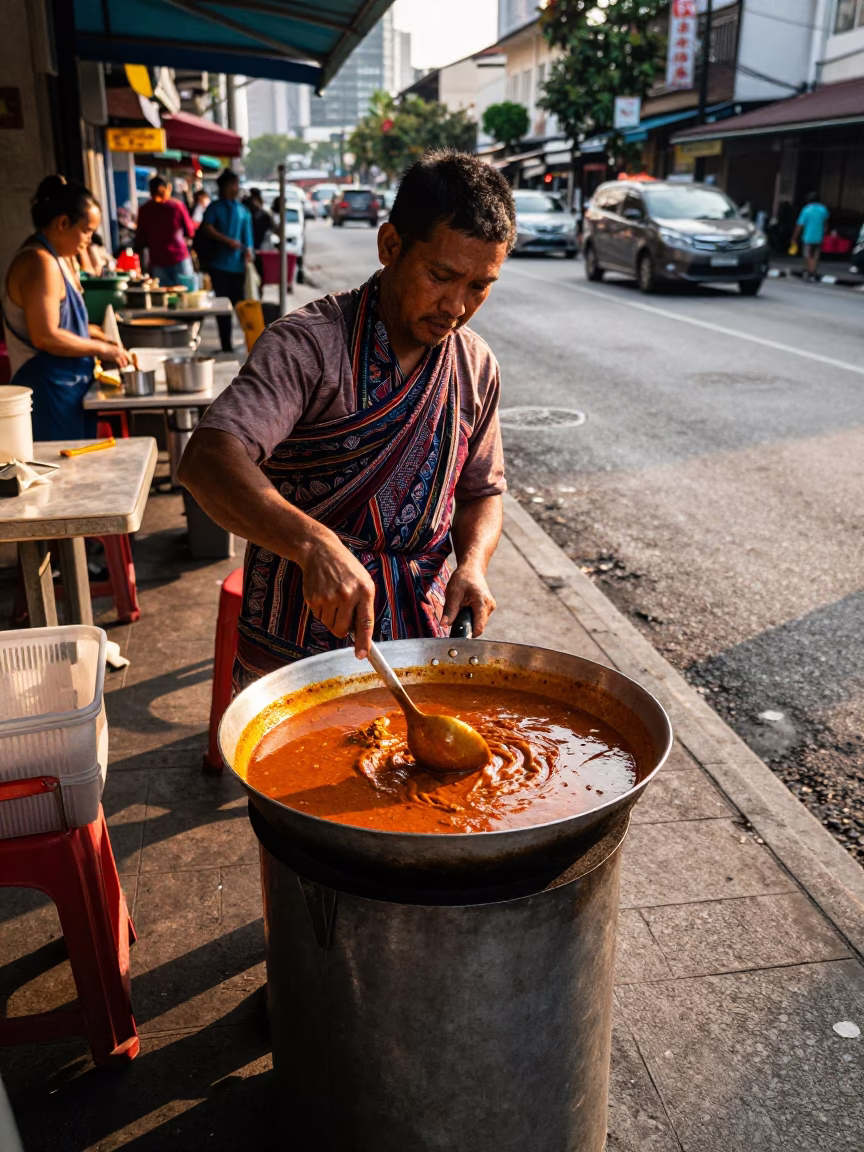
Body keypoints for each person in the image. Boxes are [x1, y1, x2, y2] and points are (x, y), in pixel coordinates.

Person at [179, 150, 514, 690]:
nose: (456, 305)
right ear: (390, 246)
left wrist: (473, 564)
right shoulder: (308, 345)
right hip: (294, 636)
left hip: (423, 637)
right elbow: (209, 459)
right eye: (441, 276)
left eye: (479, 286)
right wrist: (312, 544)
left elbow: (482, 491)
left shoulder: (475, 365)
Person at [2, 175, 129, 441]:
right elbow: (46, 335)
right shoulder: (39, 263)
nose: (89, 240)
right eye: (86, 230)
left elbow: (67, 325)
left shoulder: (57, 259)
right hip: (47, 391)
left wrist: (101, 336)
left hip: (68, 388)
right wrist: (103, 349)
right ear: (63, 223)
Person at [200, 169, 254, 352]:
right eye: (234, 184)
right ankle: (226, 345)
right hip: (219, 266)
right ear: (225, 186)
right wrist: (226, 240)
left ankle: (251, 343)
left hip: (238, 267)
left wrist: (248, 252)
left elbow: (249, 241)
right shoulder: (214, 208)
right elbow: (206, 228)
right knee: (223, 308)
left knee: (242, 307)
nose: (237, 188)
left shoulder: (243, 210)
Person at [134, 176, 195, 286]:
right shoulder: (176, 206)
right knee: (185, 296)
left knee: (162, 298)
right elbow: (190, 231)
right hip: (179, 257)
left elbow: (140, 239)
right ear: (165, 189)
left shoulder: (144, 210)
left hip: (158, 260)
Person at [791, 191, 830, 281]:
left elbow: (800, 225)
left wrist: (794, 237)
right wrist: (824, 233)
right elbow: (826, 224)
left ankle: (810, 271)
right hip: (819, 236)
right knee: (815, 254)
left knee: (808, 254)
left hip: (808, 236)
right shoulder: (823, 210)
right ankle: (813, 270)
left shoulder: (806, 210)